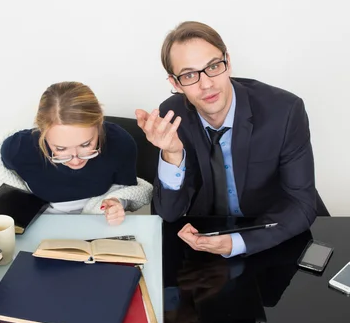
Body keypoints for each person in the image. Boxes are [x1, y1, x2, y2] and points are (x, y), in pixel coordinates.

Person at [136, 21, 319, 256]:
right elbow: (169, 213)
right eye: (190, 74)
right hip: (205, 239)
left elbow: (302, 205)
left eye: (213, 66)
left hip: (274, 236)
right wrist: (172, 154)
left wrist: (238, 242)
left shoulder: (284, 111)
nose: (207, 84)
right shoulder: (173, 116)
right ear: (175, 84)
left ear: (228, 62)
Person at [0, 81, 152, 225]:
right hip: (40, 226)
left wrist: (116, 203)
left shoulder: (120, 144)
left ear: (99, 125)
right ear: (43, 133)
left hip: (97, 225)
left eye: (86, 144)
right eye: (60, 149)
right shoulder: (19, 149)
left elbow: (124, 191)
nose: (75, 160)